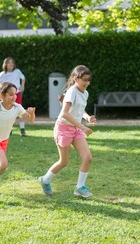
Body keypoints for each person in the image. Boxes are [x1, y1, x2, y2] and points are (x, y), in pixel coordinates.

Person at [38, 65, 96, 198]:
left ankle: (79, 188)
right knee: (64, 162)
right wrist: (83, 127)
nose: (87, 83)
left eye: (89, 80)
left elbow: (79, 110)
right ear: (76, 78)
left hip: (75, 129)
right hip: (63, 128)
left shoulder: (85, 93)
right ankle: (45, 180)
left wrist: (87, 117)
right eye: (85, 80)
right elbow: (64, 113)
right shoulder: (72, 91)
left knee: (88, 158)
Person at [0, 57, 27, 136]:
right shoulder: (2, 74)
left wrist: (22, 85)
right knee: (8, 111)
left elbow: (23, 78)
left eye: (12, 63)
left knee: (20, 111)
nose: (11, 64)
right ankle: (9, 130)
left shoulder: (17, 71)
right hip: (7, 96)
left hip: (17, 94)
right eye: (9, 63)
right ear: (5, 64)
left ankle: (22, 129)